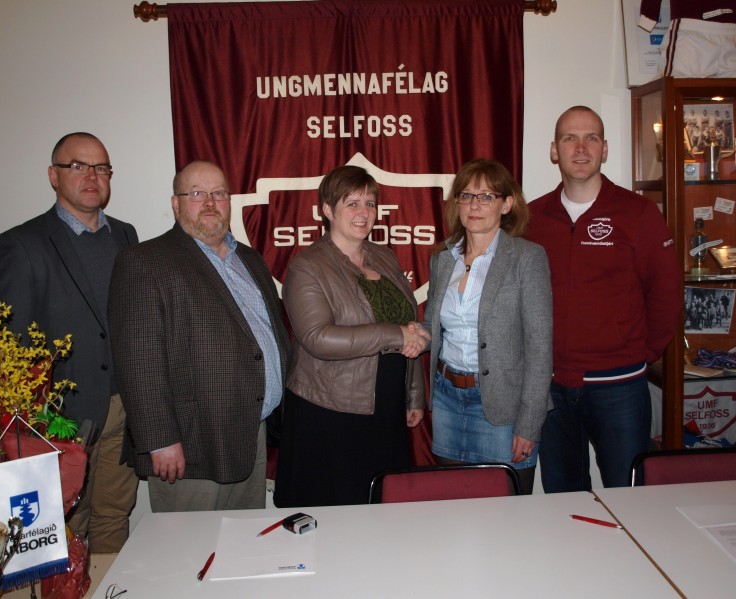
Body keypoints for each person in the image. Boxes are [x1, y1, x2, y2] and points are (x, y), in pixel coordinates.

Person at [0, 132, 139, 552]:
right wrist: (35, 418)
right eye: (78, 166)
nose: (91, 176)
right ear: (54, 176)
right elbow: (8, 341)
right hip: (62, 415)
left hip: (123, 407)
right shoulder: (23, 243)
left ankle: (110, 582)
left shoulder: (125, 235)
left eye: (101, 167)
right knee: (67, 522)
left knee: (114, 514)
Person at [108, 160, 290, 512]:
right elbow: (138, 361)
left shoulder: (250, 259)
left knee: (243, 540)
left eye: (218, 193)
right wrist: (160, 439)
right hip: (191, 443)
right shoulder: (144, 261)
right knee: (189, 545)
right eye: (196, 194)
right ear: (175, 204)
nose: (209, 202)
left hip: (251, 432)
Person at [527, 106, 682, 493]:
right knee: (563, 499)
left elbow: (666, 295)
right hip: (551, 387)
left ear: (605, 149)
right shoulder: (532, 219)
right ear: (554, 150)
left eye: (591, 138)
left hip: (619, 387)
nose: (581, 148)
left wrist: (637, 354)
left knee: (628, 495)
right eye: (570, 138)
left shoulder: (638, 213)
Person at [273, 165, 430, 507]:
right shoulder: (307, 266)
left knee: (381, 507)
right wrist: (394, 335)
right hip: (330, 410)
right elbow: (318, 338)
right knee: (338, 509)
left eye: (370, 203)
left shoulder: (384, 256)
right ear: (327, 210)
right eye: (352, 203)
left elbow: (408, 326)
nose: (364, 213)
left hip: (386, 407)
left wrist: (414, 394)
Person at [421, 159, 553, 495]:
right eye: (466, 196)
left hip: (502, 406)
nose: (474, 205)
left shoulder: (527, 258)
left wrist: (529, 424)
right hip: (447, 400)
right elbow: (432, 329)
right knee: (452, 503)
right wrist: (403, 335)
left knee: (506, 511)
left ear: (506, 204)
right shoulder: (442, 259)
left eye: (486, 197)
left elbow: (540, 348)